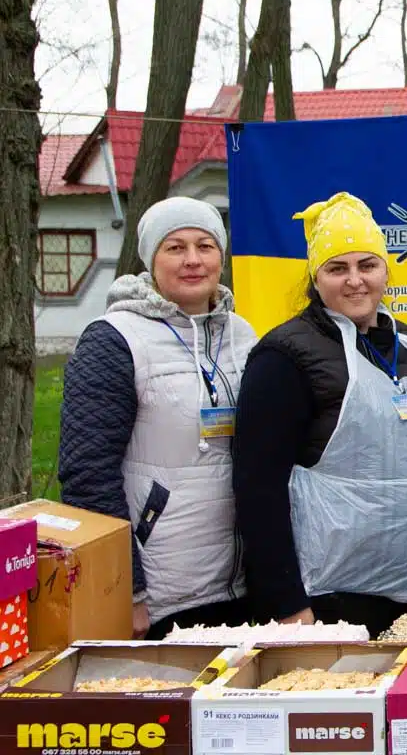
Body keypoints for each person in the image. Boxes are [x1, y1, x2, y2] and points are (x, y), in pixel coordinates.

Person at [232, 192, 407, 637]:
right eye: (337, 268)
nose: (355, 281)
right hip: (332, 594)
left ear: (386, 270)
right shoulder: (283, 356)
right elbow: (258, 486)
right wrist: (286, 601)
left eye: (367, 265)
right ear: (316, 278)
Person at [59, 197, 255, 640]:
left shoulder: (241, 335)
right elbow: (87, 474)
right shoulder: (114, 340)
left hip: (240, 584)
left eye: (205, 246)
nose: (193, 260)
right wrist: (125, 588)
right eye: (175, 247)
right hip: (160, 594)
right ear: (151, 260)